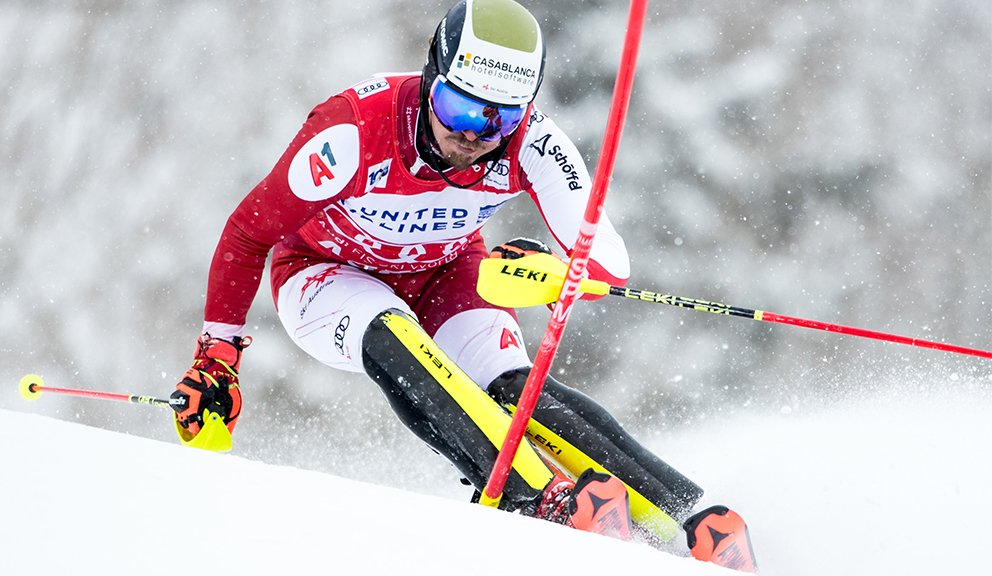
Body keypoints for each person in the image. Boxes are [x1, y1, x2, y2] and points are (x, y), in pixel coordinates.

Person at [170, 0, 756, 571]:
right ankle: (536, 499)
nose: (474, 133)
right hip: (324, 274)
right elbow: (248, 233)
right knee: (394, 336)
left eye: (497, 117)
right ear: (431, 78)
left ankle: (690, 515)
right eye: (458, 107)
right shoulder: (352, 132)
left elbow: (607, 263)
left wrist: (555, 270)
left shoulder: (533, 141)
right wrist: (217, 353)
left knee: (506, 385)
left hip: (446, 271)